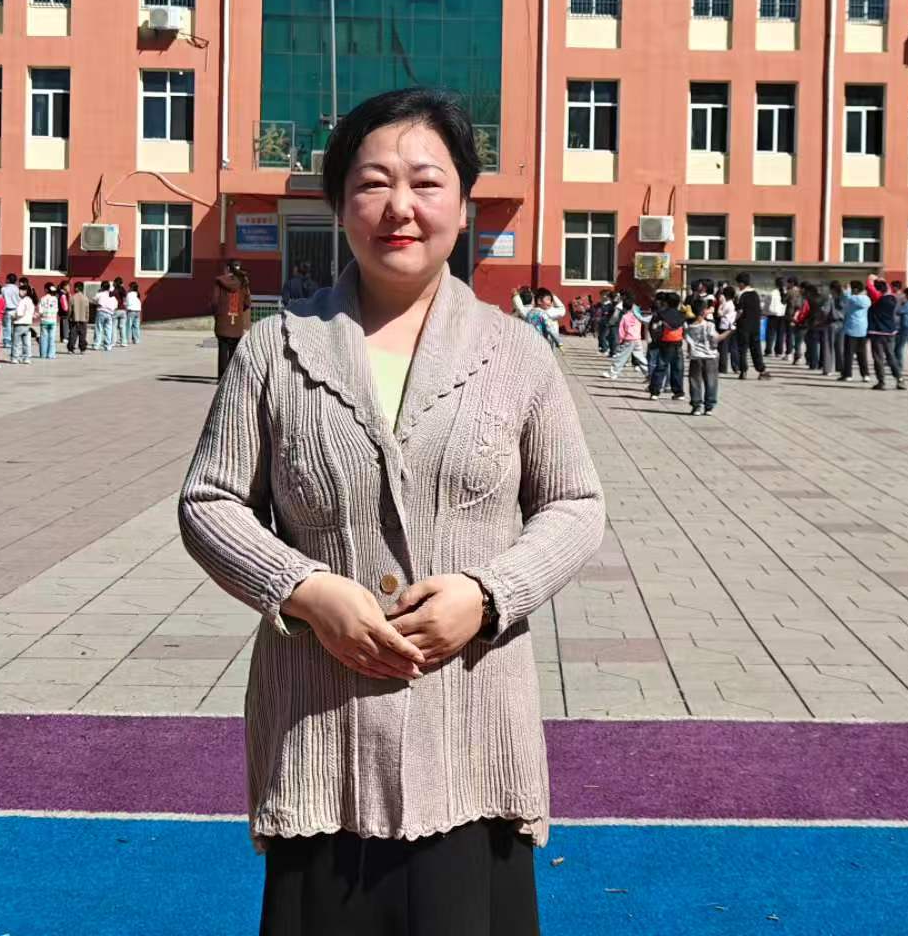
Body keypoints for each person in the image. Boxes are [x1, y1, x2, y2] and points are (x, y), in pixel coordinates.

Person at [179, 88, 603, 936]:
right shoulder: (275, 349)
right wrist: (304, 589)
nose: (399, 207)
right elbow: (209, 502)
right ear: (339, 206)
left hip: (470, 733)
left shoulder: (516, 353)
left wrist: (487, 595)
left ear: (463, 203)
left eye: (425, 182)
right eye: (372, 183)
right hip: (322, 734)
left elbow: (573, 504)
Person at [683, 299, 728, 415]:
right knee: (711, 381)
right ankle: (709, 406)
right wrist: (730, 331)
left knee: (695, 381)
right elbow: (715, 339)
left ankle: (696, 406)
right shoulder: (709, 325)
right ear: (704, 311)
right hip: (710, 356)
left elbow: (688, 342)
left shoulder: (688, 326)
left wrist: (689, 353)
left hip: (695, 357)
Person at [865, 278, 904, 391]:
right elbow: (886, 289)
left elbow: (870, 287)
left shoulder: (878, 299)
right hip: (890, 332)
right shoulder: (893, 299)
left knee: (878, 358)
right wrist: (881, 280)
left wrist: (870, 278)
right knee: (891, 356)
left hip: (877, 332)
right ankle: (900, 379)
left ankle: (881, 382)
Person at [647, 293, 687, 402]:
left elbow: (653, 327)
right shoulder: (681, 315)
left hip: (665, 343)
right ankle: (678, 392)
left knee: (661, 366)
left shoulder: (660, 314)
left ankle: (655, 392)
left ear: (666, 302)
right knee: (678, 368)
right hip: (678, 343)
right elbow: (685, 328)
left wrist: (655, 339)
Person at [729, 274, 767, 380]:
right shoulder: (755, 294)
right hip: (755, 326)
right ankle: (761, 370)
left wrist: (734, 320)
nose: (738, 286)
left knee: (743, 349)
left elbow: (740, 311)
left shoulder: (742, 295)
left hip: (744, 326)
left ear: (742, 283)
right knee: (756, 348)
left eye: (738, 284)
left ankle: (743, 371)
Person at [602, 296, 646, 380]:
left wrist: (621, 340)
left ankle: (612, 373)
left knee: (620, 357)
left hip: (628, 339)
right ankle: (649, 372)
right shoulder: (637, 316)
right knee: (640, 357)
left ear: (624, 308)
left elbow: (622, 330)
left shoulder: (625, 317)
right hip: (637, 338)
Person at [836, 280, 870, 382]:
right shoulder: (867, 299)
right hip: (862, 329)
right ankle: (865, 375)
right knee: (862, 354)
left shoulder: (852, 299)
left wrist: (846, 290)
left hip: (851, 329)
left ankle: (848, 375)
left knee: (848, 354)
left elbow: (845, 298)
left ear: (855, 289)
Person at [67, 282, 92, 353]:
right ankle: (82, 349)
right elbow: (87, 310)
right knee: (82, 335)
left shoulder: (72, 298)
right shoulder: (85, 298)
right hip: (83, 319)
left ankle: (71, 348)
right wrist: (87, 318)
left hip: (74, 319)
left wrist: (69, 317)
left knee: (73, 335)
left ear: (76, 288)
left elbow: (70, 310)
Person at [37, 282, 60, 360]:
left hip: (44, 320)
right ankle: (51, 355)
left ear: (46, 290)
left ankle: (43, 354)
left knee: (44, 338)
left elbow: (40, 311)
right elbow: (56, 310)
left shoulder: (42, 299)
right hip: (52, 321)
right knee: (52, 338)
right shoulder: (55, 299)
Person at [93, 282, 117, 352]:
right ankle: (107, 345)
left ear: (102, 287)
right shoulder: (112, 296)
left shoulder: (100, 294)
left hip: (101, 311)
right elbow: (116, 305)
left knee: (99, 328)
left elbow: (94, 299)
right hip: (110, 313)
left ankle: (96, 344)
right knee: (108, 329)